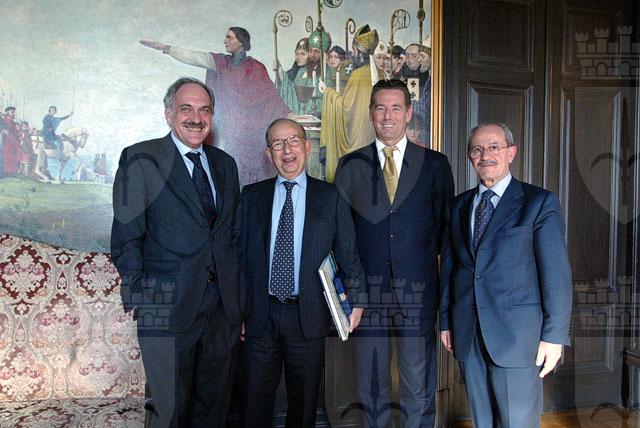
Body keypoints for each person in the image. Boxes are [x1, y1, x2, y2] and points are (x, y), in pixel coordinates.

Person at [110, 77, 243, 427]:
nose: (196, 118)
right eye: (186, 109)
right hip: (165, 306)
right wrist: (146, 299)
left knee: (214, 409)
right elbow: (125, 239)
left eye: (205, 110)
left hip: (222, 310)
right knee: (168, 412)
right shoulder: (141, 159)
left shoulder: (225, 164)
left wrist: (238, 303)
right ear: (169, 113)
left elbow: (231, 236)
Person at [334, 79, 454, 427]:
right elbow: (342, 234)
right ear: (371, 112)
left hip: (418, 292)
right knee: (371, 385)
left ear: (409, 113)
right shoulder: (350, 165)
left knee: (418, 385)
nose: (388, 116)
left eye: (395, 108)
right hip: (366, 296)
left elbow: (445, 232)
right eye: (381, 108)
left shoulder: (435, 164)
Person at [439, 123, 572, 427]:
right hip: (468, 333)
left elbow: (556, 275)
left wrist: (554, 337)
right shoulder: (458, 206)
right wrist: (446, 321)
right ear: (470, 157)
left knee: (517, 422)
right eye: (477, 149)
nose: (485, 154)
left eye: (494, 147)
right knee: (482, 421)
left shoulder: (538, 203)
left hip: (518, 338)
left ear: (511, 153)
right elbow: (450, 268)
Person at [236, 118, 365, 427]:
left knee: (304, 405)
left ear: (307, 147)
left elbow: (348, 251)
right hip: (260, 315)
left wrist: (357, 299)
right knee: (253, 403)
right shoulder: (251, 196)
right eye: (278, 144)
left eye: (293, 141)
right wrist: (237, 311)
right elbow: (238, 257)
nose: (287, 150)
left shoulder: (330, 196)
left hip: (308, 315)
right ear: (269, 153)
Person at [139, 27, 291, 186]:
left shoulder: (256, 68)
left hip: (253, 136)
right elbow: (194, 57)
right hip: (230, 135)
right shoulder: (221, 63)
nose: (225, 41)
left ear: (241, 42)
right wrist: (166, 48)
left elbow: (271, 97)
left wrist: (290, 115)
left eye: (230, 37)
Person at [320, 24, 379, 182]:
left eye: (354, 50)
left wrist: (328, 93)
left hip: (358, 139)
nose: (353, 54)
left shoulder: (358, 75)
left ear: (359, 52)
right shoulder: (378, 73)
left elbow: (345, 108)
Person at [3, 107, 20, 176]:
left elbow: (15, 132)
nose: (13, 114)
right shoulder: (4, 121)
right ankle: (7, 172)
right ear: (7, 113)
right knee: (7, 157)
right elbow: (6, 131)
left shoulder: (13, 122)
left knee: (13, 157)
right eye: (12, 112)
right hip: (7, 142)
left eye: (14, 112)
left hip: (13, 142)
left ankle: (12, 172)